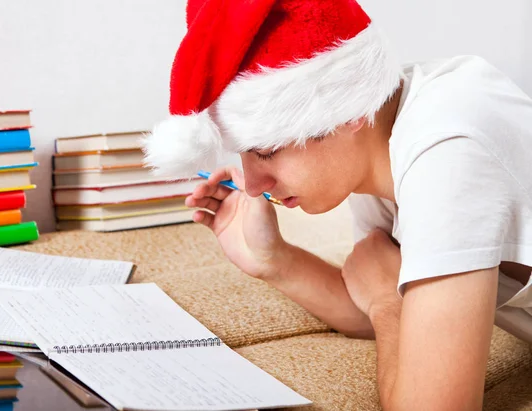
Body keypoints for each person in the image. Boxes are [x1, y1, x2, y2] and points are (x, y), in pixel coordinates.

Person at [142, 0, 532, 409]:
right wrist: (276, 260)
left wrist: (387, 302)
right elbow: (379, 298)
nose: (254, 186)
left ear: (347, 111)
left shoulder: (447, 152)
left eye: (268, 151)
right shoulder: (378, 143)